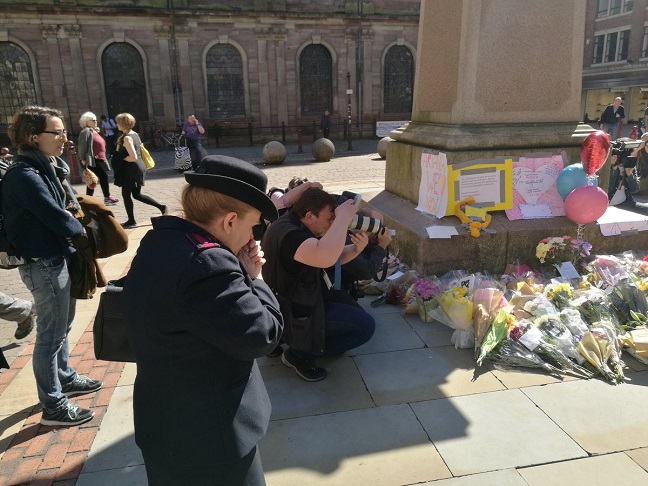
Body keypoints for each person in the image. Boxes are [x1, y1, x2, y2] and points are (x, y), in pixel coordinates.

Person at [121, 154, 283, 485]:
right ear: (229, 220)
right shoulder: (208, 264)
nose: (252, 236)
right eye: (252, 225)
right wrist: (256, 280)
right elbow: (262, 335)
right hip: (210, 438)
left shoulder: (163, 239)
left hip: (168, 421)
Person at [3, 105, 102, 426]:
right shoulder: (23, 175)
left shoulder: (46, 166)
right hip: (43, 263)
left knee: (61, 329)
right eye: (57, 132)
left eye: (63, 131)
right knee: (49, 336)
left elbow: (67, 204)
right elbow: (57, 216)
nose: (64, 138)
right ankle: (53, 406)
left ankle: (65, 377)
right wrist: (85, 234)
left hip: (57, 257)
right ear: (34, 137)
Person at [261, 188, 376, 381]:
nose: (332, 222)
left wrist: (357, 249)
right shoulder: (291, 237)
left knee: (357, 314)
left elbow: (330, 257)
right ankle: (299, 354)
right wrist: (343, 219)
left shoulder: (291, 223)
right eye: (329, 218)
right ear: (310, 216)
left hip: (302, 294)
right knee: (365, 327)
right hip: (296, 309)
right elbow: (324, 256)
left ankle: (288, 339)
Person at [112, 113, 166, 228]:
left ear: (123, 124)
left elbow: (133, 157)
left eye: (118, 122)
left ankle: (131, 220)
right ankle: (162, 207)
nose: (116, 124)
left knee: (126, 195)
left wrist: (122, 158)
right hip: (136, 169)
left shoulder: (127, 138)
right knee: (137, 194)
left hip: (131, 170)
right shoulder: (134, 134)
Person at [77, 111, 119, 205]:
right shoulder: (86, 131)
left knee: (92, 179)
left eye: (96, 120)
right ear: (87, 121)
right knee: (102, 176)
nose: (96, 121)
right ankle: (107, 197)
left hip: (97, 159)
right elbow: (82, 146)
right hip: (92, 159)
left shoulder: (92, 130)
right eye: (93, 120)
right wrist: (82, 159)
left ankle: (87, 200)